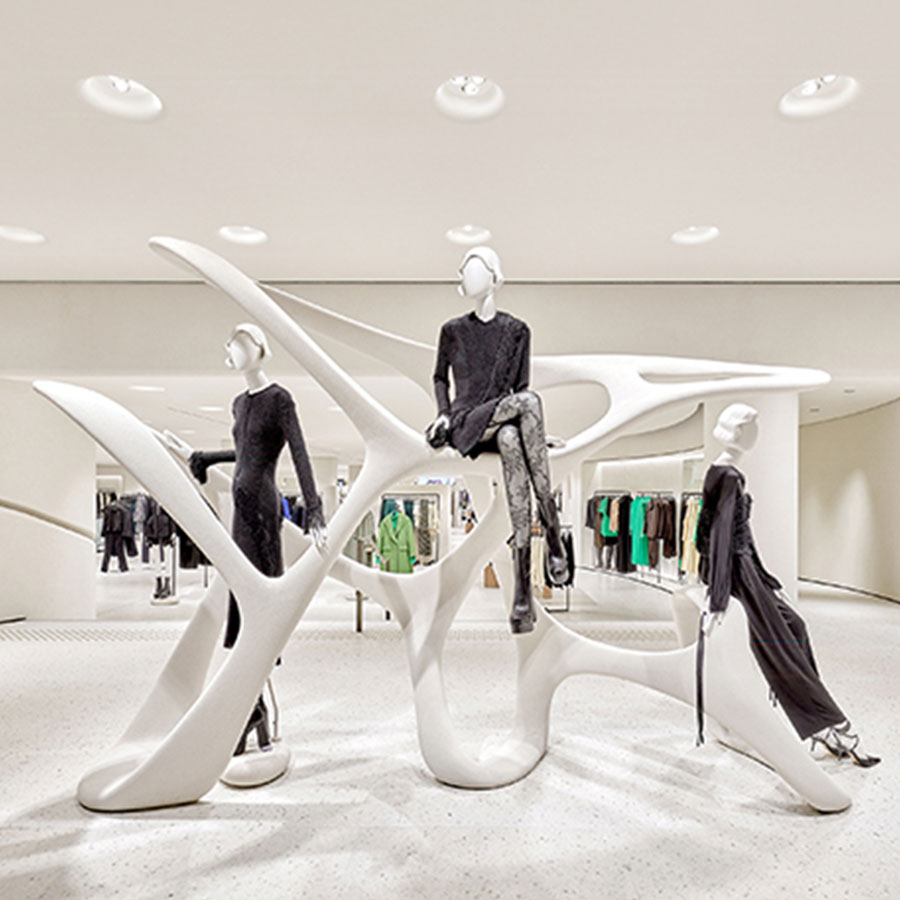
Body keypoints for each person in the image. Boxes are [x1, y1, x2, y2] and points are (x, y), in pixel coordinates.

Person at [697, 403, 879, 767]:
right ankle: (835, 726)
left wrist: (767, 579)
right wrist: (717, 598)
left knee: (796, 626)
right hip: (738, 572)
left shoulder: (726, 472)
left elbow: (728, 533)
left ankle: (819, 725)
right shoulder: (728, 475)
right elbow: (719, 537)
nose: (757, 433)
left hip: (748, 569)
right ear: (738, 431)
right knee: (779, 649)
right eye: (753, 427)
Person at [188, 322, 327, 755]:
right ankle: (254, 710)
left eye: (240, 343)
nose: (233, 350)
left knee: (259, 608)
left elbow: (298, 452)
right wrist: (208, 457)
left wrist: (315, 509)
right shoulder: (238, 403)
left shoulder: (280, 399)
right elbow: (245, 451)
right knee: (241, 605)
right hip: (240, 514)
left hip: (264, 513)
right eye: (230, 345)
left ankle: (252, 710)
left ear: (258, 348)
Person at [426, 246, 568, 634]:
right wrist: (443, 412)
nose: (466, 277)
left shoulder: (518, 330)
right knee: (531, 403)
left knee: (509, 437)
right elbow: (439, 377)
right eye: (465, 271)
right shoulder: (452, 330)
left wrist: (535, 436)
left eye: (474, 269)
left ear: (494, 276)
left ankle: (522, 590)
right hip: (466, 419)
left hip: (502, 420)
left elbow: (519, 387)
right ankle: (552, 530)